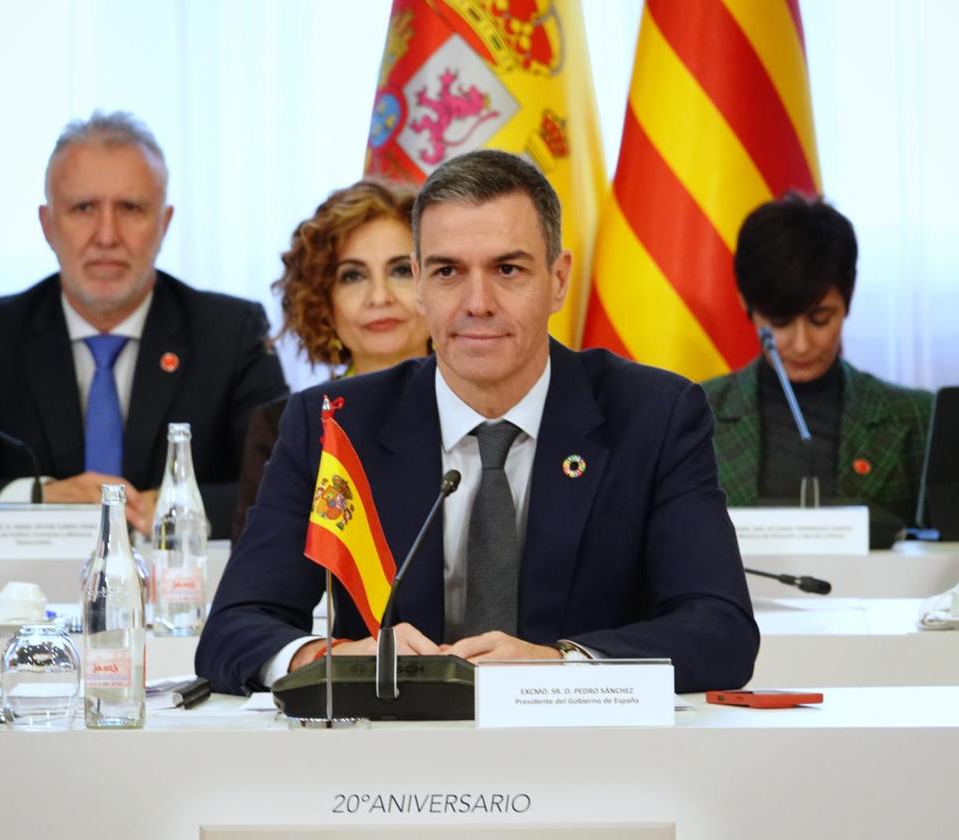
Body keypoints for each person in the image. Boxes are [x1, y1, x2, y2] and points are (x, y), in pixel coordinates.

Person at [197, 149, 758, 696]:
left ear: (558, 279)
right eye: (447, 272)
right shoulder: (334, 425)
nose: (477, 302)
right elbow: (234, 629)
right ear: (418, 282)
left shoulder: (654, 417)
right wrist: (330, 658)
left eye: (507, 269)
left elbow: (721, 632)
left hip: (587, 753)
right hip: (385, 765)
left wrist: (564, 665)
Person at [0, 112, 287, 538]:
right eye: (83, 208)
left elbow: (284, 486)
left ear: (163, 224)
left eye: (130, 208)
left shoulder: (232, 334)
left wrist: (170, 507)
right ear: (48, 225)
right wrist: (42, 496)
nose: (106, 236)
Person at [702, 193, 933, 539]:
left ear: (848, 300)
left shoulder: (917, 417)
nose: (801, 344)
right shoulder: (695, 414)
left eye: (820, 319)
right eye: (779, 322)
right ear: (746, 304)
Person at [232, 180, 431, 541]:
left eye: (401, 270)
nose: (379, 297)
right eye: (352, 276)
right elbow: (257, 578)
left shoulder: (480, 414)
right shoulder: (282, 428)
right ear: (323, 303)